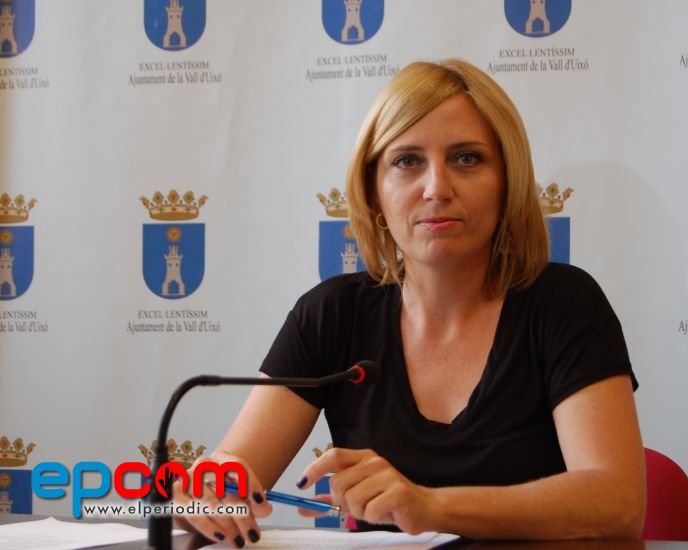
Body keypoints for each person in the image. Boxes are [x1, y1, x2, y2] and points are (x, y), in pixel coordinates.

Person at [175, 58, 645, 546]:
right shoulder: (331, 314)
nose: (437, 188)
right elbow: (226, 482)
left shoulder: (565, 304)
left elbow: (617, 503)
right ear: (374, 191)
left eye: (467, 158)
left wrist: (431, 506)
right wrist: (205, 496)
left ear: (508, 182)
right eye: (407, 161)